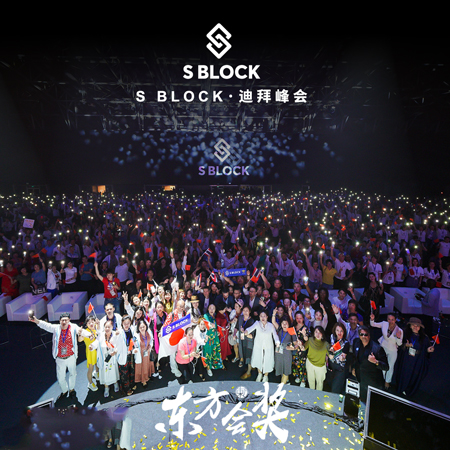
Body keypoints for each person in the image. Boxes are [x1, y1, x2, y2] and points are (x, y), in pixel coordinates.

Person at [29, 312, 92, 401]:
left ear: (69, 320)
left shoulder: (73, 327)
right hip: (60, 359)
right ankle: (64, 391)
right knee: (60, 377)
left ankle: (72, 390)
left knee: (73, 374)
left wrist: (89, 335)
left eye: (66, 320)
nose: (64, 322)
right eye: (62, 320)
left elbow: (81, 331)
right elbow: (46, 325)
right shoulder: (56, 328)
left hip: (71, 357)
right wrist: (36, 321)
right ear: (59, 321)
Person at [394, 317, 435, 397]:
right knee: (404, 373)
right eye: (413, 325)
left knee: (414, 375)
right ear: (410, 326)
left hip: (417, 360)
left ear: (420, 328)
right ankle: (401, 388)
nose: (415, 327)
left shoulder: (424, 338)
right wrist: (405, 345)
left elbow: (426, 350)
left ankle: (409, 391)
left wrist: (428, 350)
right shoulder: (405, 334)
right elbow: (398, 345)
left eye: (417, 326)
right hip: (406, 358)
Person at [351, 324, 389, 402]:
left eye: (366, 334)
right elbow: (355, 358)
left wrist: (375, 362)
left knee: (372, 404)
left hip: (373, 383)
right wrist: (354, 367)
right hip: (361, 380)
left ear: (369, 335)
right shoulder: (356, 342)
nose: (363, 336)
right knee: (361, 401)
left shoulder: (377, 349)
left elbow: (386, 367)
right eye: (361, 334)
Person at [244, 310, 280, 382]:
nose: (263, 318)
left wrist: (277, 342)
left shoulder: (271, 325)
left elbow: (275, 336)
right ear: (259, 317)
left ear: (267, 317)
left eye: (264, 316)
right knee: (258, 360)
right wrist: (246, 332)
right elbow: (249, 329)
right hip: (258, 346)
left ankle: (266, 376)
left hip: (268, 347)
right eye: (261, 316)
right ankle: (259, 374)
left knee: (267, 361)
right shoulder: (257, 323)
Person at [370, 312, 403, 389]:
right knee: (381, 364)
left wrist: (398, 337)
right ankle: (381, 379)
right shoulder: (384, 324)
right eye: (389, 319)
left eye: (392, 319)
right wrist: (372, 319)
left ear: (395, 320)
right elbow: (373, 324)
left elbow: (399, 344)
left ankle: (387, 381)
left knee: (390, 366)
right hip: (383, 347)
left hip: (392, 350)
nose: (390, 321)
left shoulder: (399, 330)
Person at [91, 319, 120, 397]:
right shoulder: (101, 335)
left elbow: (118, 345)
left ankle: (115, 383)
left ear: (112, 327)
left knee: (113, 371)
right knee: (105, 372)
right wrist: (92, 346)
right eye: (106, 327)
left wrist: (115, 351)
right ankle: (106, 387)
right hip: (104, 358)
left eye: (109, 327)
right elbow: (96, 342)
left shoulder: (115, 335)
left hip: (112, 357)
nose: (107, 328)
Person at [116, 315, 139, 396]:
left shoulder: (132, 329)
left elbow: (135, 339)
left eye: (128, 323)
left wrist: (135, 348)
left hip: (131, 354)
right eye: (124, 323)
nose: (126, 325)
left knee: (131, 370)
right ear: (122, 323)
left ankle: (132, 384)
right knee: (124, 373)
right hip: (123, 355)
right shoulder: (119, 332)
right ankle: (126, 389)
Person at [301, 325, 329, 391]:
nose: (318, 334)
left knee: (320, 383)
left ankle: (318, 396)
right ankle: (312, 395)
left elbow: (330, 355)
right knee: (311, 381)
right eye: (316, 332)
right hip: (310, 363)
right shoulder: (310, 340)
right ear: (314, 333)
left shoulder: (326, 344)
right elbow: (303, 348)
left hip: (320, 366)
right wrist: (300, 345)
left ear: (322, 334)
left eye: (320, 332)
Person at [326, 322, 350, 394]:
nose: (339, 333)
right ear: (334, 331)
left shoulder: (346, 343)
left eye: (341, 331)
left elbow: (343, 356)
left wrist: (342, 358)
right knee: (328, 386)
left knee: (335, 389)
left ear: (344, 332)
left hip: (340, 368)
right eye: (337, 330)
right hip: (330, 366)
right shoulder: (331, 338)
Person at [272, 317, 297, 384]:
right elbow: (273, 322)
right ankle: (285, 382)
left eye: (286, 323)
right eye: (283, 323)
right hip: (279, 352)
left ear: (289, 324)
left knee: (286, 370)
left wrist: (292, 348)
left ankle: (282, 385)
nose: (284, 325)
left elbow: (296, 345)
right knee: (280, 368)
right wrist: (274, 314)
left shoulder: (291, 330)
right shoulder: (280, 329)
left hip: (287, 353)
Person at [77, 315, 99, 392]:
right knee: (90, 368)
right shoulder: (85, 332)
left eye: (92, 322)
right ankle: (90, 383)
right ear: (86, 324)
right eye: (89, 323)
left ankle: (96, 373)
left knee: (97, 364)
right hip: (91, 353)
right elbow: (80, 340)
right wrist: (80, 334)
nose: (91, 324)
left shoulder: (97, 328)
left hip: (98, 351)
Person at [202, 303, 224, 376]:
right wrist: (214, 326)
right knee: (208, 353)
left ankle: (214, 365)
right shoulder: (205, 316)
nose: (212, 310)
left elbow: (215, 327)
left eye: (213, 308)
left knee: (214, 352)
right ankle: (208, 368)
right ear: (208, 309)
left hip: (214, 337)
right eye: (210, 308)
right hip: (208, 338)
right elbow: (208, 324)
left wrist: (218, 331)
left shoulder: (214, 316)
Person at [237, 305, 256, 379]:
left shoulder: (252, 321)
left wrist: (245, 333)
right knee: (244, 353)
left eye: (247, 311)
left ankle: (248, 372)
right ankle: (250, 367)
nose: (245, 312)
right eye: (244, 310)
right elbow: (236, 326)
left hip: (249, 341)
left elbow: (252, 336)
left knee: (249, 355)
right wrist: (235, 334)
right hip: (242, 340)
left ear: (250, 312)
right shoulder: (240, 318)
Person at [134, 320, 155, 387]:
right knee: (142, 367)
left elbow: (151, 340)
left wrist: (150, 346)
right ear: (138, 328)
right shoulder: (136, 335)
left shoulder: (149, 332)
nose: (142, 328)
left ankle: (148, 376)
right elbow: (134, 345)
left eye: (143, 326)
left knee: (147, 365)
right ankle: (143, 380)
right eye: (140, 327)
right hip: (140, 354)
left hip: (147, 352)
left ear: (146, 326)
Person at [291, 311, 308, 387]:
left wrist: (304, 335)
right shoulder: (293, 327)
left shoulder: (305, 328)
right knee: (296, 363)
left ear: (303, 318)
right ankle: (297, 376)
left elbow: (307, 339)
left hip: (302, 349)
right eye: (297, 318)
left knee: (303, 365)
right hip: (295, 349)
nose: (299, 320)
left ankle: (303, 380)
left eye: (300, 318)